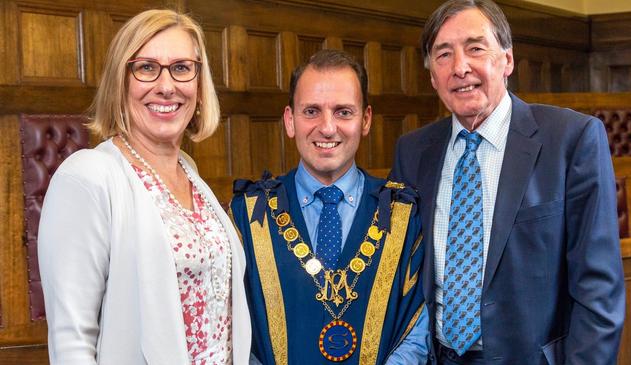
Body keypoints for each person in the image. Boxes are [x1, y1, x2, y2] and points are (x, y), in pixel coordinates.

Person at [389, 0, 625, 364]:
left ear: (507, 60)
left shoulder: (572, 140)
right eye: (444, 55)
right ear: (433, 76)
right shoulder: (413, 152)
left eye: (475, 48)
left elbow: (599, 292)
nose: (460, 67)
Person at [38, 9, 251, 365]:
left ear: (199, 86)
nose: (166, 85)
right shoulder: (87, 177)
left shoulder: (191, 174)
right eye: (147, 67)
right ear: (120, 83)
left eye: (182, 68)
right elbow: (71, 341)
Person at [229, 49, 430, 364]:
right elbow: (235, 334)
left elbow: (416, 333)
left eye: (343, 112)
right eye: (311, 111)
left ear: (365, 120)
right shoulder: (246, 215)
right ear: (289, 120)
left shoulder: (404, 213)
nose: (327, 127)